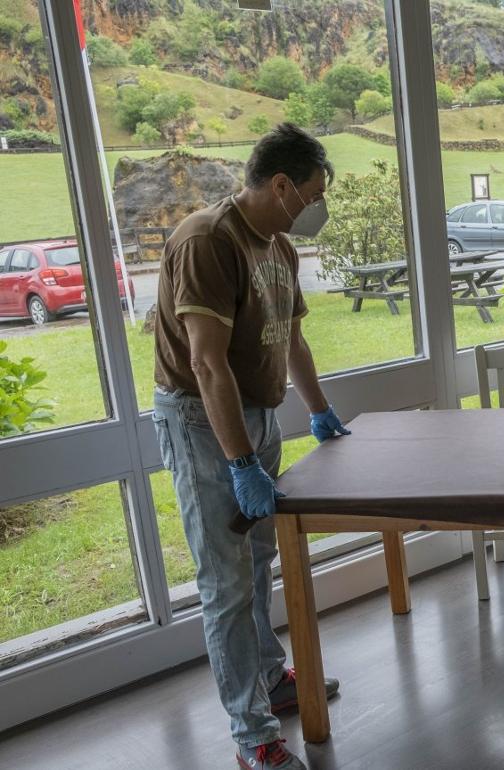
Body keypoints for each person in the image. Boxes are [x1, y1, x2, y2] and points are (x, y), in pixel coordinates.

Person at [152, 123, 352, 770]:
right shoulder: (209, 240)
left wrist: (319, 413)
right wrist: (239, 463)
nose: (318, 208)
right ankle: (252, 736)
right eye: (315, 194)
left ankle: (269, 678)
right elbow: (207, 367)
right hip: (202, 421)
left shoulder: (280, 247)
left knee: (260, 560)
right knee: (226, 583)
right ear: (282, 184)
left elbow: (292, 342)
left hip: (259, 418)